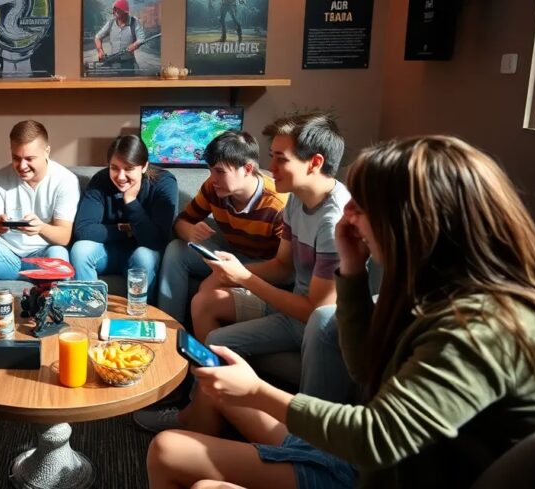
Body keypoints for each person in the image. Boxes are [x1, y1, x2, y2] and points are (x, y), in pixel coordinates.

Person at [146, 135, 535, 489]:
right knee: (176, 437)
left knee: (195, 474)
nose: (348, 214)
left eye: (362, 206)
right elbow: (364, 369)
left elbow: (378, 436)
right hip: (360, 456)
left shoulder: (478, 326)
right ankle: (199, 423)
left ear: (414, 222)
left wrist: (257, 391)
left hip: (371, 465)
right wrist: (351, 269)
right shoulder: (429, 289)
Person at [136, 113, 350, 433]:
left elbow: (315, 311)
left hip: (316, 325)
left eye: (280, 159)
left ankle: (199, 417)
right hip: (291, 310)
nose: (270, 167)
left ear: (314, 163)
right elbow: (282, 266)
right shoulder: (298, 202)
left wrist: (244, 278)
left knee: (313, 320)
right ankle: (199, 411)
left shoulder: (331, 220)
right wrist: (231, 272)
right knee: (216, 336)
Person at [155, 130, 287, 325]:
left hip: (266, 267)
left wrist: (232, 274)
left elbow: (285, 270)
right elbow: (181, 222)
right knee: (176, 249)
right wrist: (189, 232)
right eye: (210, 171)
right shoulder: (212, 188)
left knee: (209, 290)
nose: (212, 179)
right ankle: (169, 327)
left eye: (220, 172)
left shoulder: (279, 205)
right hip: (232, 255)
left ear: (247, 169)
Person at [0, 120, 80, 282]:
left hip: (42, 256)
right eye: (16, 158)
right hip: (6, 256)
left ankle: (57, 300)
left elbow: (64, 237)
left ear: (47, 152)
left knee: (59, 255)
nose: (22, 166)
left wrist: (41, 227)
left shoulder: (65, 180)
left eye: (29, 158)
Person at [70, 135, 177, 293]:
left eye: (128, 169)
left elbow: (156, 240)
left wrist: (131, 201)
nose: (120, 176)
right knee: (80, 250)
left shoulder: (163, 183)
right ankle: (90, 305)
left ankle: (139, 308)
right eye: (114, 168)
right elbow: (83, 229)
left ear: (144, 166)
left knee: (144, 256)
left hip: (142, 253)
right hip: (109, 252)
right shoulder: (101, 180)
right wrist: (128, 231)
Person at [94, 0, 145, 70]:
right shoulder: (111, 22)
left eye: (117, 10)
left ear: (125, 11)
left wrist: (134, 45)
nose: (114, 12)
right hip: (113, 62)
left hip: (128, 61)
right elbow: (98, 37)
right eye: (114, 10)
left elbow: (141, 39)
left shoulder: (134, 22)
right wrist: (100, 51)